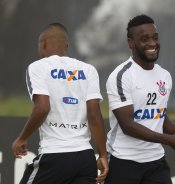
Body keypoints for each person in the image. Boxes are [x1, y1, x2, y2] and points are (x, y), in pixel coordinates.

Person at [12, 23, 109, 184]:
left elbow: (43, 107)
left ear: (42, 44)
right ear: (67, 46)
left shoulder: (37, 67)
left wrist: (21, 139)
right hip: (85, 158)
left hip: (54, 155)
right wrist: (103, 155)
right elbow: (94, 114)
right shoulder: (88, 69)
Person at [104, 14, 175, 184]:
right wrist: (169, 140)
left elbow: (159, 117)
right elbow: (128, 126)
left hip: (156, 162)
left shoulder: (164, 75)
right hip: (124, 161)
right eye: (144, 39)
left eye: (155, 37)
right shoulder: (121, 75)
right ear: (131, 42)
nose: (152, 43)